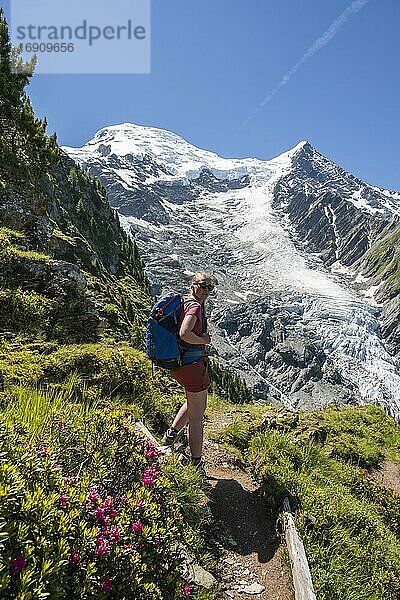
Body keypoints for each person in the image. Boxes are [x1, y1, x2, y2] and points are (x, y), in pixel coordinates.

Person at [162, 272, 214, 473]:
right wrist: (203, 340)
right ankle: (197, 462)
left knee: (192, 403)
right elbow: (185, 333)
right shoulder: (193, 307)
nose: (206, 291)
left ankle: (170, 436)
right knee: (197, 416)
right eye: (202, 285)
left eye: (210, 287)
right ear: (192, 285)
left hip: (181, 364)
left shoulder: (184, 304)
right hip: (193, 365)